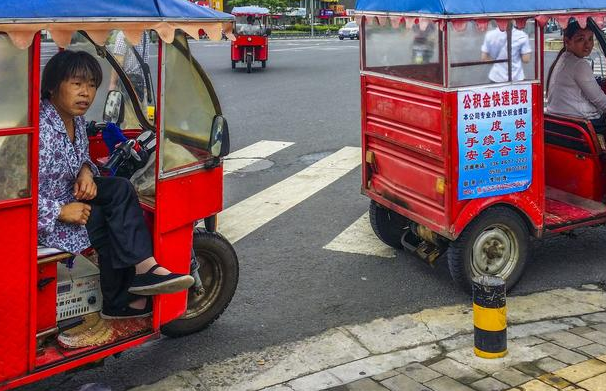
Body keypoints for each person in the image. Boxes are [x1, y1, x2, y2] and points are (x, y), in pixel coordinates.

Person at [38, 50, 194, 320]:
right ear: (52, 85)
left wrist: (86, 170)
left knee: (119, 188)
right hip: (41, 222)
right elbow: (10, 191)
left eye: (91, 86)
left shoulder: (75, 120)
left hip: (71, 197)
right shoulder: (39, 129)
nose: (85, 93)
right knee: (109, 220)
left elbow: (82, 156)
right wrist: (60, 211)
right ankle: (122, 300)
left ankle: (143, 272)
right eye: (77, 84)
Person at [546, 20, 606, 135]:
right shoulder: (579, 64)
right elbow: (601, 102)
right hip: (580, 126)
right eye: (580, 39)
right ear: (567, 41)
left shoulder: (564, 58)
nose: (588, 45)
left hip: (561, 122)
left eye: (590, 39)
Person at [109, 31, 150, 103]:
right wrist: (145, 88)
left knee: (126, 112)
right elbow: (145, 63)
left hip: (126, 85)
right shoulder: (145, 35)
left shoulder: (123, 34)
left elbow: (118, 62)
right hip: (140, 86)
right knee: (140, 113)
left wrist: (113, 84)